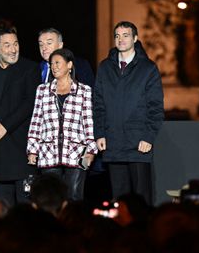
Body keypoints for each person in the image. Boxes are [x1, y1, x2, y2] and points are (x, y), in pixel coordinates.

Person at [93, 21, 164, 205]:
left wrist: (148, 137)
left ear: (135, 38)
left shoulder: (148, 69)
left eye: (125, 35)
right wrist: (100, 133)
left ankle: (143, 232)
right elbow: (98, 104)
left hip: (138, 144)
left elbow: (155, 107)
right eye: (117, 35)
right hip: (113, 143)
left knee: (141, 200)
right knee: (119, 201)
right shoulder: (105, 68)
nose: (121, 39)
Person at [0, 27, 38, 206]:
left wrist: (5, 126)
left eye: (16, 44)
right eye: (7, 45)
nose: (13, 49)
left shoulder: (30, 68)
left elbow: (30, 102)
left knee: (25, 206)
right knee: (3, 205)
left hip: (21, 147)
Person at [27, 48, 97, 201]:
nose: (54, 66)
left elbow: (88, 122)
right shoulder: (42, 90)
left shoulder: (84, 91)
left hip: (77, 152)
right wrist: (32, 149)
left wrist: (91, 150)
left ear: (70, 65)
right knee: (51, 197)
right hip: (48, 151)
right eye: (52, 64)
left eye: (58, 63)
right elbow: (36, 120)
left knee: (74, 196)